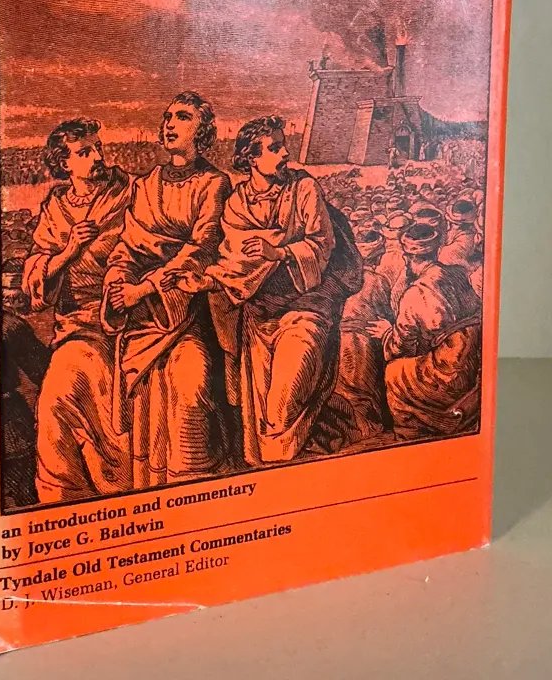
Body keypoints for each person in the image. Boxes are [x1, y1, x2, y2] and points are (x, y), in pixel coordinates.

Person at [189, 116, 362, 465]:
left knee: (282, 407)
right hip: (261, 317)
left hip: (307, 308)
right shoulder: (237, 204)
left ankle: (287, 460)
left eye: (283, 146)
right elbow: (235, 264)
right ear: (251, 158)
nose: (285, 154)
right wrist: (209, 280)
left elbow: (322, 243)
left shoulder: (304, 188)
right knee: (264, 420)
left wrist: (279, 253)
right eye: (274, 148)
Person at [101, 93, 231, 488]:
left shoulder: (214, 183)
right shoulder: (145, 185)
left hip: (190, 311)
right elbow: (127, 247)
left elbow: (201, 248)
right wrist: (119, 283)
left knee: (192, 386)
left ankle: (193, 483)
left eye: (183, 117)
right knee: (148, 401)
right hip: (144, 320)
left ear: (202, 130)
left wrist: (145, 288)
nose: (170, 124)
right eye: (168, 117)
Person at [22, 119, 133, 501]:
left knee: (111, 401)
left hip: (131, 317)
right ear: (64, 163)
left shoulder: (127, 192)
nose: (97, 157)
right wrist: (69, 250)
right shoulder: (56, 208)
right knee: (57, 396)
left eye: (97, 148)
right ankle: (62, 495)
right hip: (79, 328)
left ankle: (120, 485)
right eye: (84, 152)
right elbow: (36, 271)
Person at [367, 222, 482, 441]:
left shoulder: (415, 293)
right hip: (473, 363)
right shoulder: (459, 274)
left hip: (448, 373)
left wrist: (386, 333)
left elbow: (401, 347)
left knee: (394, 372)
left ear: (408, 257)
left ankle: (411, 433)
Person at [335, 227, 393, 442]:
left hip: (337, 341)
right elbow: (384, 314)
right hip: (362, 342)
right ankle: (368, 426)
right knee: (365, 387)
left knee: (345, 389)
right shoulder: (378, 281)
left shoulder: (339, 278)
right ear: (377, 255)